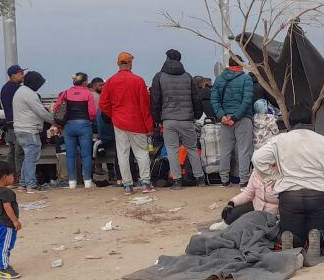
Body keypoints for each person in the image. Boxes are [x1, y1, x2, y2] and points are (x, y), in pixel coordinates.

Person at [251, 103, 324, 267]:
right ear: (311, 120)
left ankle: (292, 239)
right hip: (319, 195)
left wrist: (276, 177)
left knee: (294, 232)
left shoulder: (279, 140)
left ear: (290, 121)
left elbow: (257, 159)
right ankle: (317, 237)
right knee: (319, 230)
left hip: (290, 196)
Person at [100, 51, 154, 195]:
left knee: (122, 153)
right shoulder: (138, 80)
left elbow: (103, 104)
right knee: (141, 153)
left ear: (118, 63)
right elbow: (145, 105)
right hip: (137, 122)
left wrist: (114, 115)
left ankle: (127, 186)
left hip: (119, 122)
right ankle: (145, 183)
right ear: (130, 63)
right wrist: (149, 125)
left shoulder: (111, 81)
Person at [150, 49, 204, 190]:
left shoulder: (159, 76)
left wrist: (157, 119)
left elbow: (155, 99)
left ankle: (177, 181)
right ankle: (199, 179)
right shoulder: (187, 76)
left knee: (172, 149)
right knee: (191, 148)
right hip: (186, 119)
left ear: (167, 59)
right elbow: (196, 98)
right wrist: (197, 115)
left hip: (168, 119)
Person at [211, 56, 254, 188]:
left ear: (228, 65)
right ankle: (243, 180)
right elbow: (247, 100)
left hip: (224, 120)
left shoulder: (219, 79)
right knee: (244, 150)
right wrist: (235, 117)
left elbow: (214, 100)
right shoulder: (246, 78)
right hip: (242, 119)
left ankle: (224, 180)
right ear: (240, 65)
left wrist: (222, 116)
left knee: (225, 150)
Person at [52, 72, 98, 189]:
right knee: (86, 155)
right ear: (85, 82)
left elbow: (56, 108)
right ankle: (87, 181)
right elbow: (92, 112)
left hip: (68, 126)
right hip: (84, 125)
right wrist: (89, 120)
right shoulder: (88, 93)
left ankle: (72, 182)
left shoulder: (65, 93)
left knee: (70, 155)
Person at [11, 71, 54, 194]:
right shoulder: (29, 94)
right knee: (32, 158)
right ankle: (31, 185)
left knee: (27, 157)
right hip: (29, 129)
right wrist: (54, 120)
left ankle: (23, 184)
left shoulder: (20, 92)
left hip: (20, 129)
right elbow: (41, 111)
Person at [0, 160, 21, 278]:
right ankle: (4, 268)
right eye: (12, 175)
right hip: (5, 223)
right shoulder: (7, 192)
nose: (13, 177)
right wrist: (15, 221)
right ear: (5, 177)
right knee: (5, 246)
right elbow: (7, 207)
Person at [0, 64, 26, 177]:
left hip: (10, 123)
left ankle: (7, 175)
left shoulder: (5, 87)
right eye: (21, 73)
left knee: (12, 151)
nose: (23, 75)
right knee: (18, 151)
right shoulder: (15, 88)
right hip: (16, 123)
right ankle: (19, 175)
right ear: (13, 75)